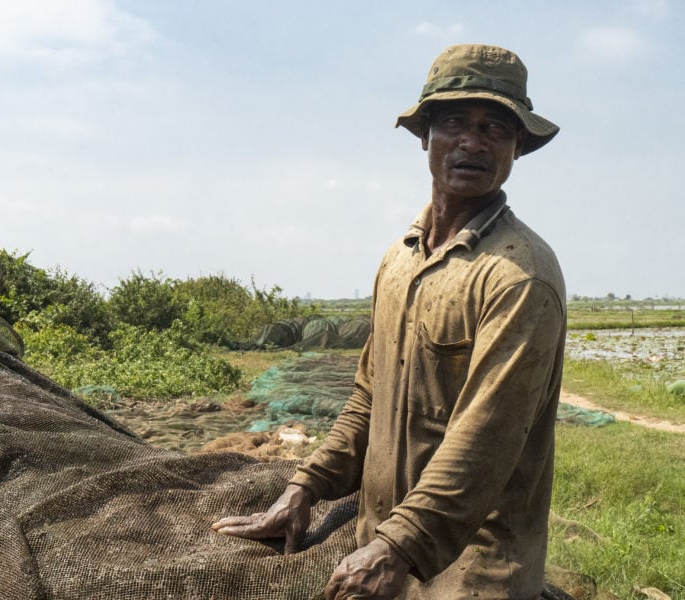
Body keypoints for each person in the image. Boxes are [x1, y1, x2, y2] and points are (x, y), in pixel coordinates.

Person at [212, 43, 566, 600]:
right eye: (453, 122)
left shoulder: (520, 276)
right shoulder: (400, 258)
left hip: (470, 564)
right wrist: (307, 485)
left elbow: (486, 439)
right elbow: (368, 398)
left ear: (518, 145)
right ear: (425, 134)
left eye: (495, 127)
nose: (472, 141)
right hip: (380, 538)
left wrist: (397, 548)